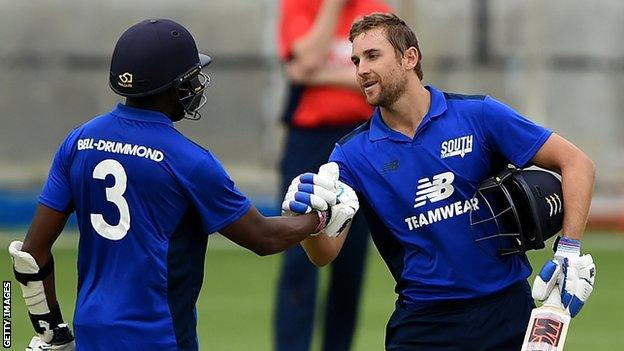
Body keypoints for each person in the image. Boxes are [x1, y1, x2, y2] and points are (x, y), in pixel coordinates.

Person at [8, 18, 354, 351]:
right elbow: (263, 237)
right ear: (169, 88)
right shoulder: (188, 160)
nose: (196, 85)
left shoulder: (78, 142)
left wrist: (51, 330)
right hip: (160, 338)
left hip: (92, 334)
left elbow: (32, 254)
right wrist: (320, 219)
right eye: (190, 78)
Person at [281, 13, 597, 350]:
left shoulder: (478, 115)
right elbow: (324, 254)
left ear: (409, 58)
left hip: (508, 313)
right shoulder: (350, 155)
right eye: (356, 60)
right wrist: (312, 225)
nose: (360, 70)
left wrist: (569, 250)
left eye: (373, 56)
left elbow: (577, 163)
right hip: (424, 326)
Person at [274, 1, 391, 350]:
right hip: (309, 141)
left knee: (350, 258)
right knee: (298, 253)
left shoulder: (376, 9)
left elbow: (387, 80)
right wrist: (331, 8)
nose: (360, 67)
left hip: (362, 141)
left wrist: (316, 76)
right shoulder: (299, 6)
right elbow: (305, 59)